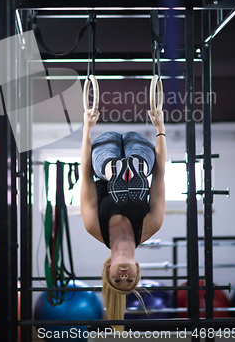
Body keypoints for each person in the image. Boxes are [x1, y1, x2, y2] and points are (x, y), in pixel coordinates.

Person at [80, 109, 166, 329]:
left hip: (104, 155)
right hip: (140, 153)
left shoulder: (94, 227)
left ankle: (115, 173)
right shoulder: (150, 226)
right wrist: (160, 129)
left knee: (102, 168)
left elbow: (85, 175)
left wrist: (87, 128)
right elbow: (160, 175)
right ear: (138, 268)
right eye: (130, 280)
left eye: (117, 280)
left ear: (107, 268)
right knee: (145, 165)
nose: (124, 276)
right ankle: (132, 171)